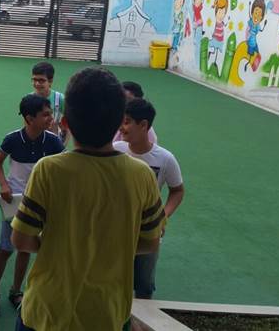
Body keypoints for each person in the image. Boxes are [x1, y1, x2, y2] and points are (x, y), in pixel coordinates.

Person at [11, 67, 165, 331]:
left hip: (47, 312)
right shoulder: (143, 175)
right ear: (120, 122)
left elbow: (21, 240)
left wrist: (61, 246)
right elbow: (151, 242)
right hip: (108, 313)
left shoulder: (49, 170)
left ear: (65, 123)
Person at [0, 95, 64, 318]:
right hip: (14, 202)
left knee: (26, 249)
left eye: (50, 113)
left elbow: (61, 170)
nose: (50, 118)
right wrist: (3, 184)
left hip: (39, 204)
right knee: (5, 248)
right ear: (29, 118)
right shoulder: (13, 139)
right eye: (45, 114)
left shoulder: (54, 142)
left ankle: (16, 291)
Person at [114, 98, 184, 300]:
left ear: (143, 125)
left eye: (127, 122)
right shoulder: (116, 149)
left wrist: (163, 216)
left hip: (148, 232)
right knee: (113, 279)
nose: (121, 127)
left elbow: (177, 190)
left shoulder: (165, 158)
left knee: (143, 284)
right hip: (116, 229)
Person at [30, 62, 67, 143]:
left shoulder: (60, 99)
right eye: (34, 80)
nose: (37, 84)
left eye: (41, 80)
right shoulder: (28, 99)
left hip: (54, 142)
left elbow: (68, 126)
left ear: (50, 81)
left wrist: (62, 146)